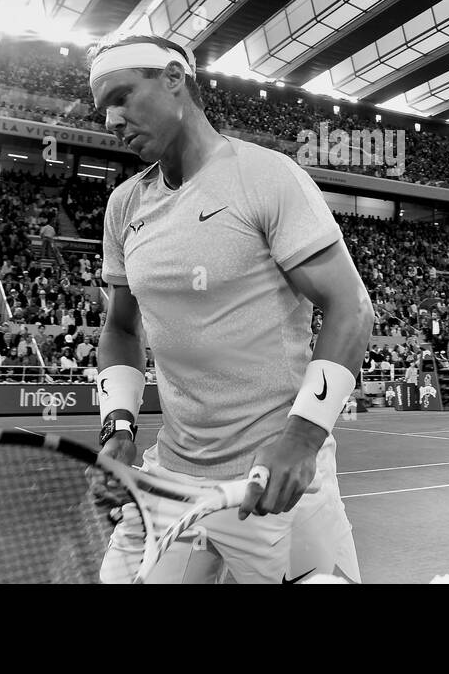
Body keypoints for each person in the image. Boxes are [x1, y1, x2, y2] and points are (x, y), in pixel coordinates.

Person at [89, 35, 369, 584]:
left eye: (122, 96)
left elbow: (350, 308)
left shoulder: (266, 175)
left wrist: (304, 436)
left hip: (271, 480)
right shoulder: (124, 205)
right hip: (169, 477)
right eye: (103, 110)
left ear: (174, 78)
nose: (112, 120)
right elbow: (121, 327)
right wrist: (116, 428)